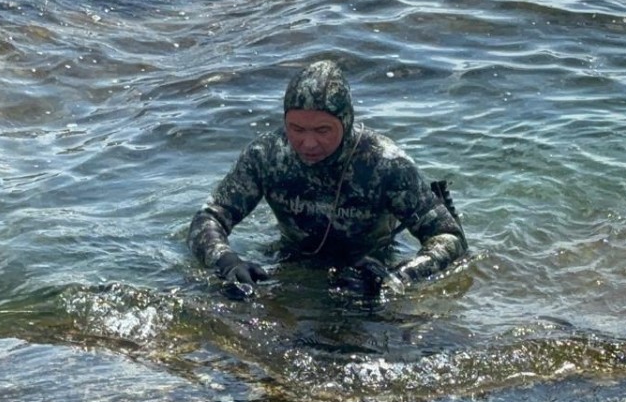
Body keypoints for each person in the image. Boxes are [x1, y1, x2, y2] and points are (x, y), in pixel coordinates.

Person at [187, 59, 467, 298]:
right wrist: (225, 260)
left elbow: (449, 237)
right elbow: (208, 218)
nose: (308, 143)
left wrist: (395, 280)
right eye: (296, 128)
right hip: (292, 258)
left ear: (345, 122)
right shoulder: (267, 155)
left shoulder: (386, 163)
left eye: (323, 130)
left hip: (370, 266)